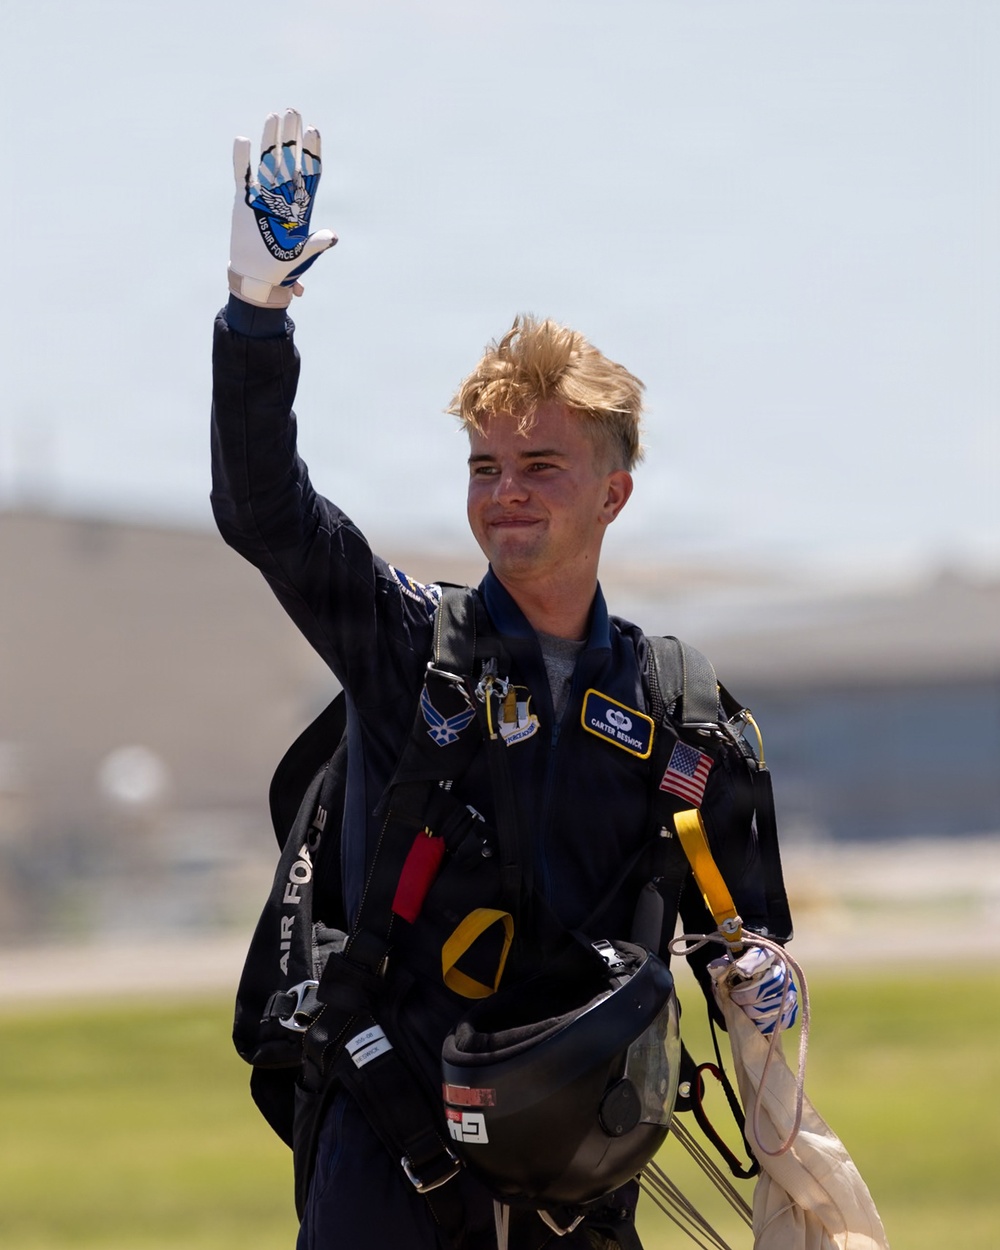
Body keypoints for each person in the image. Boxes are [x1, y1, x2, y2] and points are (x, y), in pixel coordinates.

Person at [212, 109, 795, 1250]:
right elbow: (263, 512)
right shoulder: (403, 644)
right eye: (485, 467)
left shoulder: (684, 717)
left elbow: (747, 935)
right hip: (393, 1158)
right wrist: (255, 315)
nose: (506, 493)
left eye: (540, 466)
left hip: (584, 1177)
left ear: (612, 494)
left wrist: (767, 982)